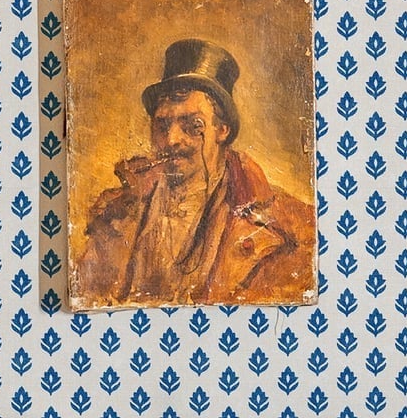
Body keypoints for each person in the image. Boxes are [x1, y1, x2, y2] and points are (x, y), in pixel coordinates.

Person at [73, 38, 315, 309]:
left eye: (192, 126)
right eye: (162, 125)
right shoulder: (117, 214)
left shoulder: (285, 228)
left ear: (222, 130)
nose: (171, 139)